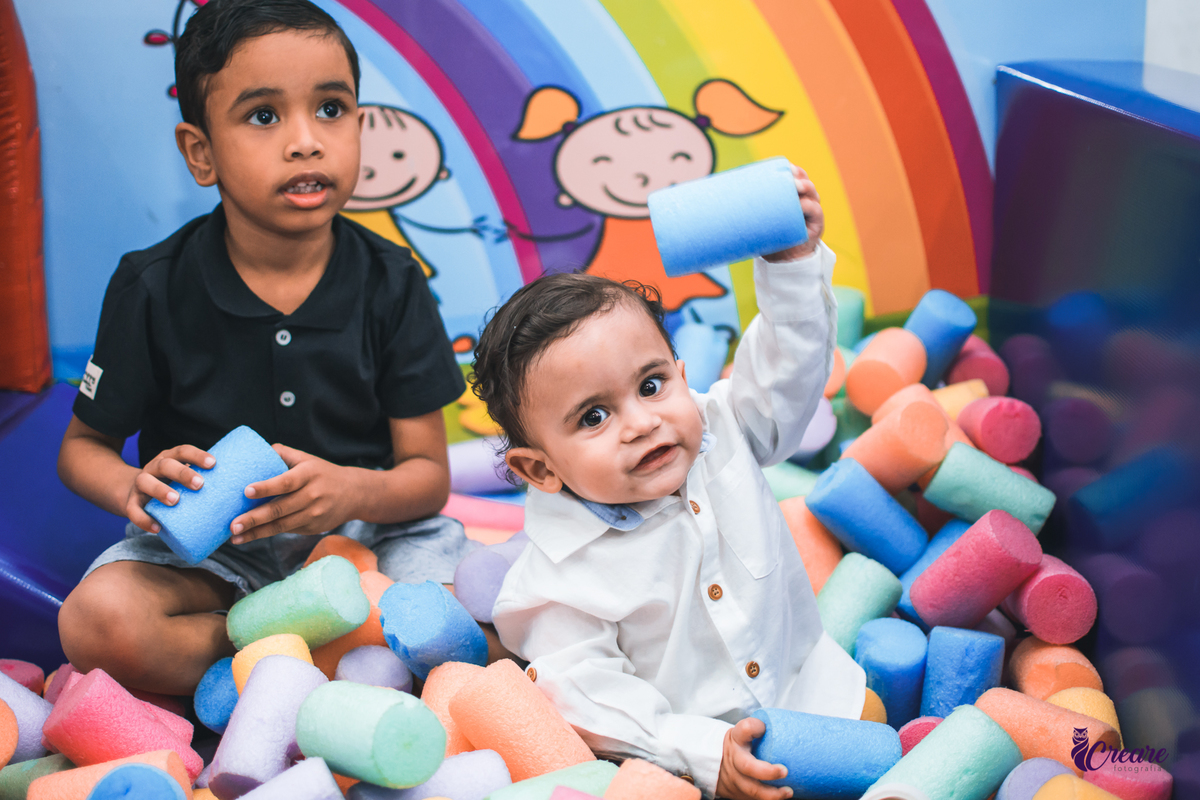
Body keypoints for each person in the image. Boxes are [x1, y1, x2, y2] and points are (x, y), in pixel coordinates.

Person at [55, 0, 476, 696]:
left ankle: (289, 673)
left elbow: (427, 474)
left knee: (472, 617)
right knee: (98, 622)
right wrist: (135, 486)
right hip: (215, 559)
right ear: (201, 152)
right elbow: (81, 449)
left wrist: (351, 492)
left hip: (362, 547)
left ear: (361, 129)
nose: (306, 142)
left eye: (332, 109)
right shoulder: (151, 286)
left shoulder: (393, 281)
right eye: (263, 116)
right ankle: (314, 656)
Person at [474, 165, 866, 800]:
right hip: (699, 764)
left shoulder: (726, 430)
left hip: (818, 697)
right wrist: (699, 750)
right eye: (593, 417)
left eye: (652, 385)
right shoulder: (556, 580)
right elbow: (587, 694)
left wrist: (792, 264)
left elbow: (789, 375)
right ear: (540, 469)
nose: (642, 422)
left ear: (683, 375)